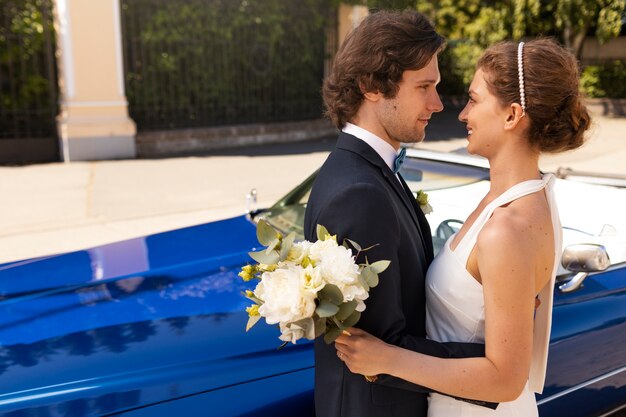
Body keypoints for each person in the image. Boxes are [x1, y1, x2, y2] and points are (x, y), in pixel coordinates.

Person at [335, 38, 591, 416]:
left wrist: (386, 359)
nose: (461, 114)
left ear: (511, 115)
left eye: (473, 99)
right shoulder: (525, 195)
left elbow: (506, 379)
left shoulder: (507, 228)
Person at [304, 9, 493, 417]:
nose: (438, 103)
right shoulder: (358, 191)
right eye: (424, 86)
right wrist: (492, 363)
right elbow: (375, 351)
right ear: (372, 86)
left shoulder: (366, 171)